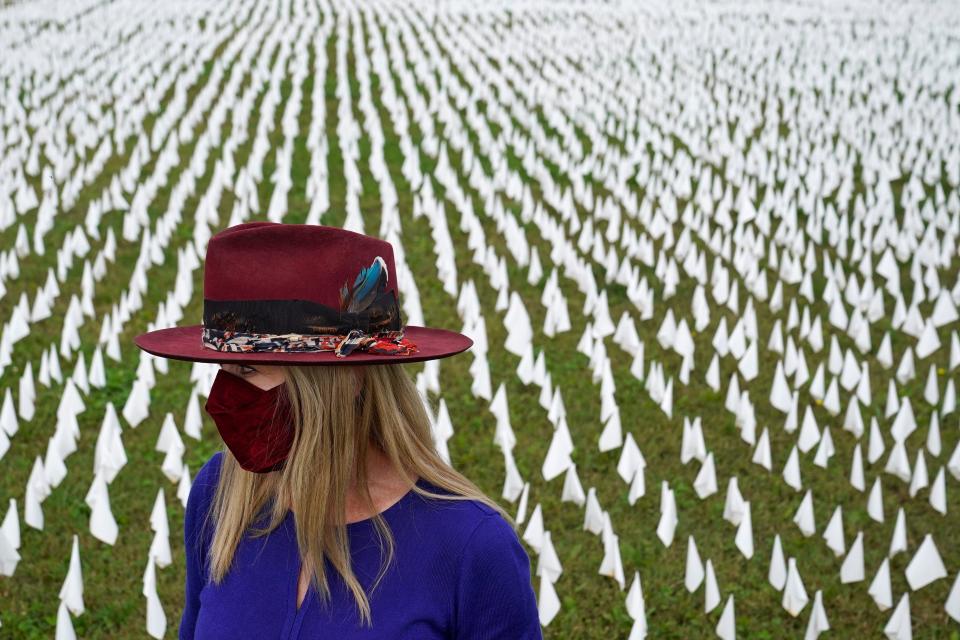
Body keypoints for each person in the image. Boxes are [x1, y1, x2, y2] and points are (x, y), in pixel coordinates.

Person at [133, 221, 543, 639]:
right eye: (222, 370)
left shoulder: (471, 548)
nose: (221, 397)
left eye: (248, 370)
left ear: (344, 382)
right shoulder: (220, 494)